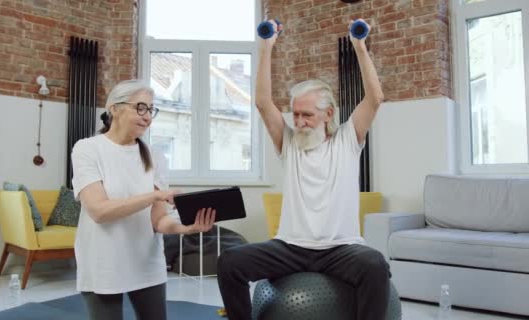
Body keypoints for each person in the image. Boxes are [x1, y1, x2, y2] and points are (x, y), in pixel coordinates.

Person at [217, 19, 390, 320]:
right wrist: (266, 47)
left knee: (375, 264)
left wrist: (359, 47)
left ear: (329, 114)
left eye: (307, 115)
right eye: (295, 115)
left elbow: (375, 99)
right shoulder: (289, 144)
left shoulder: (348, 140)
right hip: (290, 247)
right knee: (230, 262)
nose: (299, 122)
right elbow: (262, 102)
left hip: (341, 248)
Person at [71, 79, 216, 320]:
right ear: (114, 108)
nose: (147, 116)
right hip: (103, 260)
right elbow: (98, 211)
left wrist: (186, 227)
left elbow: (158, 221)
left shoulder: (156, 157)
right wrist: (155, 195)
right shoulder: (87, 149)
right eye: (140, 107)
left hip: (146, 260)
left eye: (150, 109)